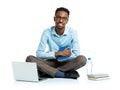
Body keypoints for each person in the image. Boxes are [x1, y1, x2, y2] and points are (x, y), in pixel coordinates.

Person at [26, 7, 87, 79]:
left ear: (67, 20)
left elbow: (76, 54)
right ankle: (62, 74)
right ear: (54, 18)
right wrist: (58, 53)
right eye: (58, 17)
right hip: (51, 62)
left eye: (64, 18)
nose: (61, 20)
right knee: (29, 59)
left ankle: (48, 72)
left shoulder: (73, 32)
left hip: (67, 63)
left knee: (82, 59)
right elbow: (39, 54)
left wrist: (65, 56)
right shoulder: (47, 32)